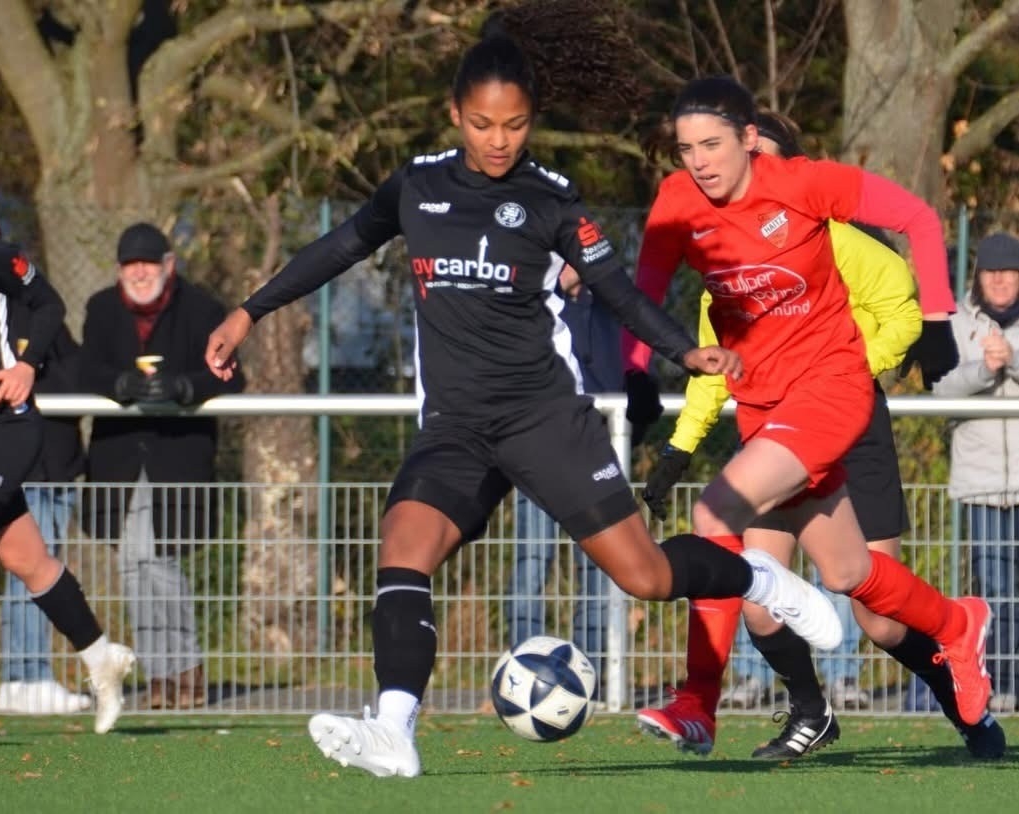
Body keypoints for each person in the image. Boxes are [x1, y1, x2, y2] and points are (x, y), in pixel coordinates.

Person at [204, 6, 845, 780]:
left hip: (544, 420)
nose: (498, 140)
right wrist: (249, 311)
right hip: (456, 426)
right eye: (482, 124)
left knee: (644, 577)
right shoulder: (416, 186)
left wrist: (685, 350)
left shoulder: (551, 200)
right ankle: (394, 730)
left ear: (531, 121)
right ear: (455, 115)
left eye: (513, 125)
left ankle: (757, 577)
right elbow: (337, 247)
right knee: (402, 549)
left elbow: (617, 290)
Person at [624, 76, 993, 759]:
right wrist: (636, 369)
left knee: (714, 513)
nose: (699, 161)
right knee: (850, 573)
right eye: (685, 149)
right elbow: (641, 291)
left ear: (748, 139)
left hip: (833, 391)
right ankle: (955, 623)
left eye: (712, 144)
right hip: (763, 410)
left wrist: (938, 316)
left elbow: (917, 217)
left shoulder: (803, 184)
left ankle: (697, 704)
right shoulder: (677, 201)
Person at [0, 166, 135, 736]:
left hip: (2, 425)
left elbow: (49, 305)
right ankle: (100, 657)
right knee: (27, 561)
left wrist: (27, 365)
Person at [80, 222, 245, 710]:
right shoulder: (100, 308)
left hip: (178, 457)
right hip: (119, 459)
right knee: (133, 564)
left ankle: (184, 670)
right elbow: (86, 368)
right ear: (118, 270)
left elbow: (230, 376)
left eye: (148, 263)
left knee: (160, 560)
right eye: (130, 265)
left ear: (169, 265)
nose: (140, 273)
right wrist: (121, 384)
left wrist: (185, 388)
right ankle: (161, 675)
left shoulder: (202, 309)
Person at [0, 201, 92, 716]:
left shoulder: (31, 304)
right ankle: (20, 675)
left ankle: (48, 670)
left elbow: (74, 370)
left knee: (40, 565)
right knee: (15, 566)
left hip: (54, 460)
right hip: (8, 462)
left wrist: (34, 369)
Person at [506, 262, 637, 676]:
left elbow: (622, 374)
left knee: (601, 563)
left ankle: (591, 672)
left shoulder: (609, 307)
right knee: (532, 560)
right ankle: (524, 668)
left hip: (596, 449)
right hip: (538, 449)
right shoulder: (532, 301)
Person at [935, 231, 1019, 715]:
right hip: (981, 482)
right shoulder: (956, 323)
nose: (1001, 280)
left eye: (1009, 272)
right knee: (996, 591)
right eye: (992, 272)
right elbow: (940, 386)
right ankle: (1003, 682)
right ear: (979, 276)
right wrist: (985, 371)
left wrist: (1012, 359)